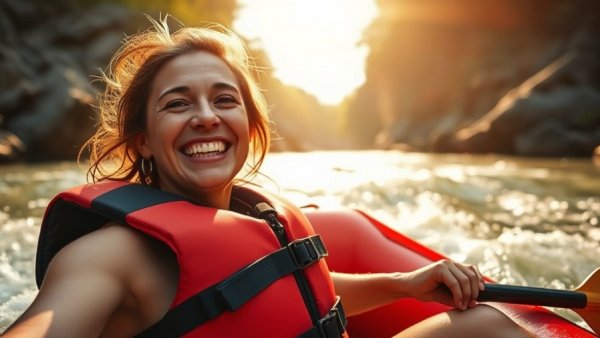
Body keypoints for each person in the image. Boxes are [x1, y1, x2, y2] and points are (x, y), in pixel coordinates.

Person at [2, 17, 533, 338]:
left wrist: (405, 284)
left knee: (491, 324)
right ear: (142, 139)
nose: (206, 116)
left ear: (249, 126)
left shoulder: (255, 219)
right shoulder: (108, 256)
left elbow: (291, 289)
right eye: (178, 103)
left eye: (224, 99)